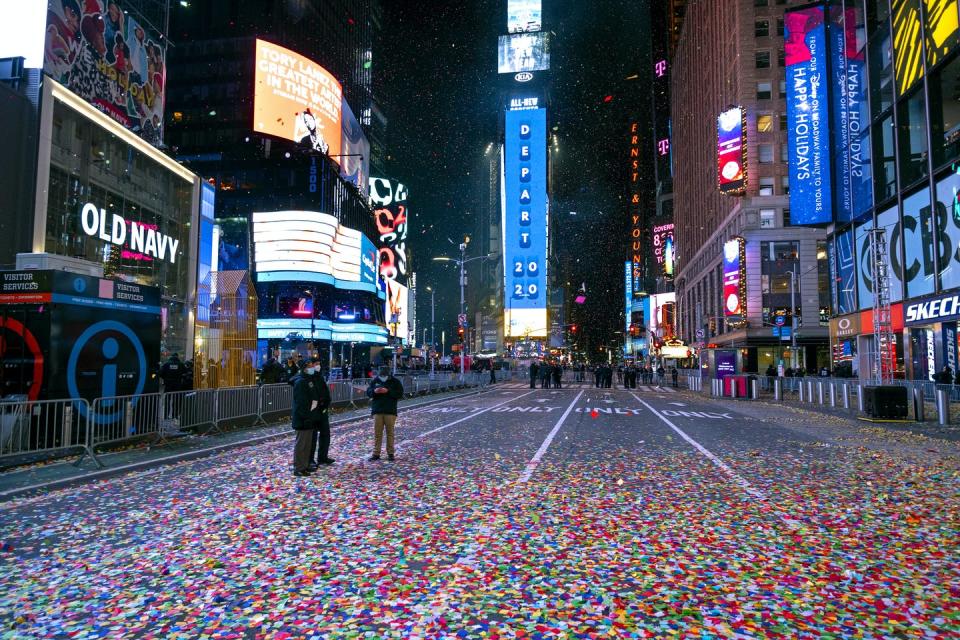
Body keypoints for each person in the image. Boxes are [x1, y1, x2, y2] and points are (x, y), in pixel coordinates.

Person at [367, 366, 404, 461]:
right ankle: (376, 453)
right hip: (377, 410)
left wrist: (388, 391)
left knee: (390, 433)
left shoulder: (395, 381)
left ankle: (390, 453)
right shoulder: (375, 381)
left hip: (390, 410)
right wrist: (374, 391)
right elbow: (369, 392)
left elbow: (399, 393)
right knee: (377, 433)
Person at [291, 363, 320, 477]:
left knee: (307, 444)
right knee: (301, 444)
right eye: (310, 366)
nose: (313, 368)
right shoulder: (301, 382)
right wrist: (306, 416)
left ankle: (304, 465)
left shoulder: (308, 380)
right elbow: (301, 403)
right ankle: (299, 467)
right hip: (303, 418)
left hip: (309, 416)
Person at [308, 359, 334, 469]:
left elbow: (325, 391)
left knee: (325, 434)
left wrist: (326, 401)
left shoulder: (319, 376)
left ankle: (322, 456)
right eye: (316, 364)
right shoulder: (308, 377)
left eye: (319, 364)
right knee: (312, 437)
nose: (318, 366)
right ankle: (310, 459)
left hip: (322, 410)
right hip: (313, 411)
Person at [160, 353, 184, 419]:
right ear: (177, 357)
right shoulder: (181, 364)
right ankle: (175, 415)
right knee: (176, 400)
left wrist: (165, 378)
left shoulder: (166, 364)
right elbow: (184, 372)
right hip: (177, 385)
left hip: (168, 385)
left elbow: (161, 373)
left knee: (167, 400)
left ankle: (166, 415)